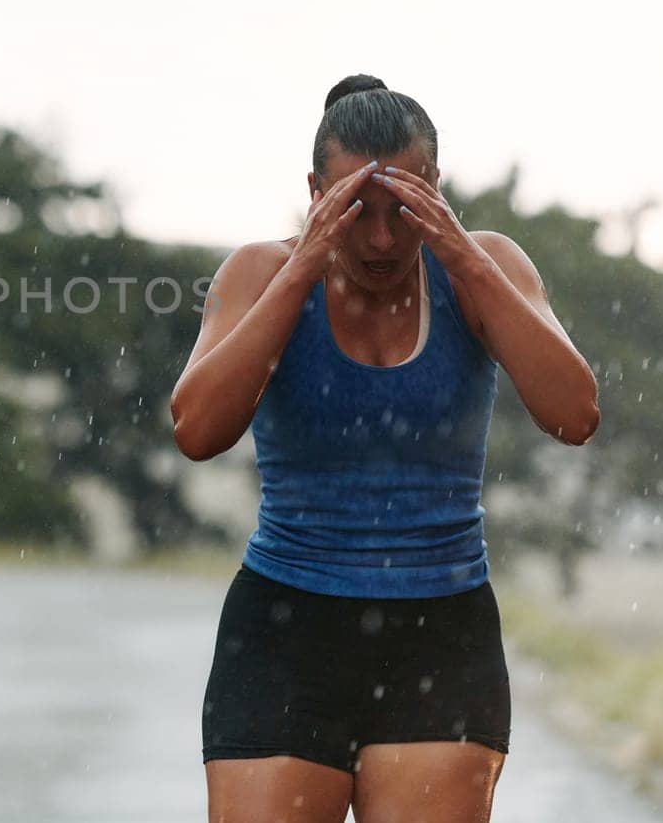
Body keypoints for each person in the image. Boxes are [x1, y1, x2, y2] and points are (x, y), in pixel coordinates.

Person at [171, 74, 600, 823]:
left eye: (402, 207)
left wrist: (464, 257)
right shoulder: (260, 273)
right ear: (314, 190)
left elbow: (575, 413)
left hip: (442, 631)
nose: (378, 237)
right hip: (285, 630)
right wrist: (305, 261)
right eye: (353, 208)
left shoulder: (482, 265)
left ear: (435, 186)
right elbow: (198, 432)